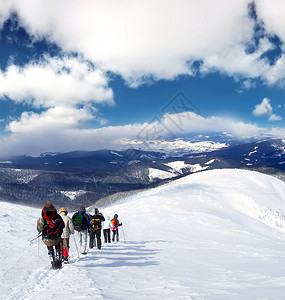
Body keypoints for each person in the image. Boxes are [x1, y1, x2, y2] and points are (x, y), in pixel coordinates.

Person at [37, 203, 65, 269]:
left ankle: (53, 263)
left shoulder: (42, 218)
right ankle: (59, 262)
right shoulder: (57, 216)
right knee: (58, 248)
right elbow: (62, 225)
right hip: (57, 236)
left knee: (50, 250)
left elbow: (39, 228)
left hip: (47, 238)